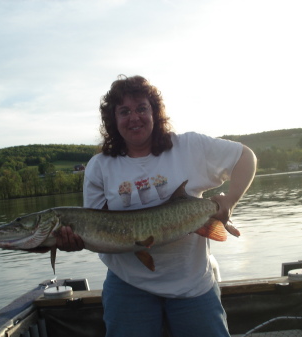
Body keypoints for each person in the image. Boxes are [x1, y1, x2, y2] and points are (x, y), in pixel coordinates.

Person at [56, 75, 257, 337]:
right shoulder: (100, 166)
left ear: (155, 111)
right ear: (113, 120)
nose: (134, 117)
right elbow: (96, 229)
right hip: (128, 285)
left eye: (141, 108)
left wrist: (229, 201)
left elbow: (245, 157)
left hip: (192, 282)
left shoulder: (189, 146)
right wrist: (73, 241)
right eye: (124, 111)